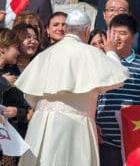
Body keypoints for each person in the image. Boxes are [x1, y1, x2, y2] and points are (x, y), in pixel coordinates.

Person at [16, 9, 129, 166]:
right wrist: (110, 52)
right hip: (75, 125)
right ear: (87, 30)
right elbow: (118, 78)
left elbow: (30, 95)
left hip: (41, 124)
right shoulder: (91, 53)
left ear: (67, 28)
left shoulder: (45, 54)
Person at [96, 14, 140, 166]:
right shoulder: (98, 63)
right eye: (113, 33)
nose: (117, 38)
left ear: (134, 38)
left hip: (136, 139)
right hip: (104, 140)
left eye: (123, 33)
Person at [0, 28, 30, 165]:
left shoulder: (10, 73)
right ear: (2, 48)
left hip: (6, 143)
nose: (18, 52)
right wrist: (3, 82)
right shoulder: (6, 79)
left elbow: (25, 108)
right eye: (16, 48)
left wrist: (18, 112)